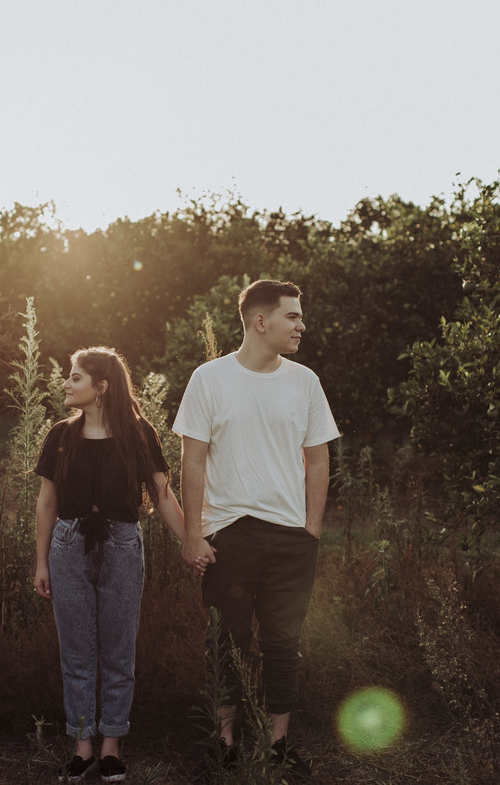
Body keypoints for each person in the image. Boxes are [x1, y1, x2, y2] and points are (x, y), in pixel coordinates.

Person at [173, 279, 340, 777]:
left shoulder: (305, 381)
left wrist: (311, 528)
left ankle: (279, 744)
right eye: (293, 317)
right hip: (230, 533)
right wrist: (194, 533)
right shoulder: (209, 379)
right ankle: (223, 742)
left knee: (284, 643)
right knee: (226, 640)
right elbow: (193, 462)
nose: (302, 326)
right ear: (260, 321)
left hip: (291, 537)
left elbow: (318, 461)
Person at [34, 346, 196, 783]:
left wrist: (191, 544)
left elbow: (162, 495)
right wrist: (41, 563)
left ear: (101, 387)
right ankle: (83, 745)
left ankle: (111, 746)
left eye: (75, 377)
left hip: (122, 545)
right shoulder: (60, 436)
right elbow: (47, 502)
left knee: (119, 650)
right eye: (69, 377)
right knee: (77, 651)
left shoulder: (138, 434)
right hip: (67, 547)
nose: (66, 384)